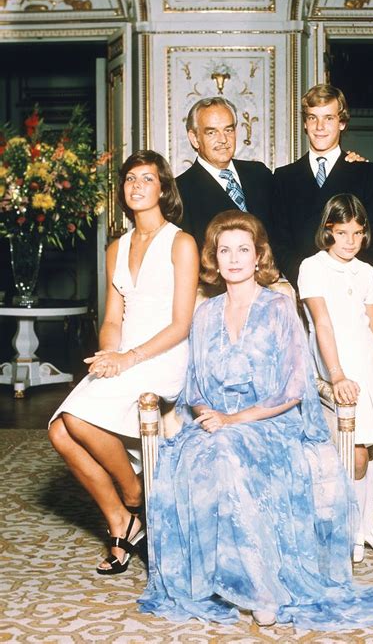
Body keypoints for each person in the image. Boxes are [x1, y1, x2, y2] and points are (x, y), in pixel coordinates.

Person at [139, 209, 373, 629]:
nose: (233, 259)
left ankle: (260, 588)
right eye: (224, 250)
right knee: (197, 453)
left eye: (243, 250)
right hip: (218, 423)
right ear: (213, 257)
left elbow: (291, 390)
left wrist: (235, 420)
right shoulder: (205, 313)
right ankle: (225, 579)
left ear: (258, 256)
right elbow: (194, 386)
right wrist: (208, 414)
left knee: (227, 451)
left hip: (274, 424)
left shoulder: (279, 306)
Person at [48, 150, 199, 575]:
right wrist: (106, 356)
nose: (136, 186)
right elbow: (112, 317)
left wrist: (129, 357)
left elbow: (181, 324)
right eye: (130, 179)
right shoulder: (116, 248)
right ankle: (124, 520)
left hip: (162, 355)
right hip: (124, 357)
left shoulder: (181, 242)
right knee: (59, 430)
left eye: (147, 179)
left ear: (164, 189)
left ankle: (134, 494)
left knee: (77, 420)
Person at [298, 194, 373, 564]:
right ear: (328, 231)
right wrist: (337, 375)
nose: (350, 241)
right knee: (353, 456)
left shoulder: (365, 271)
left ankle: (366, 528)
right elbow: (322, 323)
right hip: (337, 369)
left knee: (368, 449)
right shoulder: (313, 267)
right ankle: (351, 528)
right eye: (342, 233)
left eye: (357, 233)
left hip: (369, 368)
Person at [273, 84, 373, 288]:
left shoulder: (365, 173)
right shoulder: (284, 177)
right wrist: (306, 282)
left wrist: (347, 281)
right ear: (305, 124)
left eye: (328, 118)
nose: (319, 127)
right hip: (303, 290)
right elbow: (280, 243)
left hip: (351, 290)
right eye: (312, 118)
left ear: (342, 122)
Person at [176, 97, 275, 250]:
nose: (223, 139)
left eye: (228, 130)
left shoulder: (260, 174)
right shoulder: (179, 191)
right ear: (194, 139)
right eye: (211, 132)